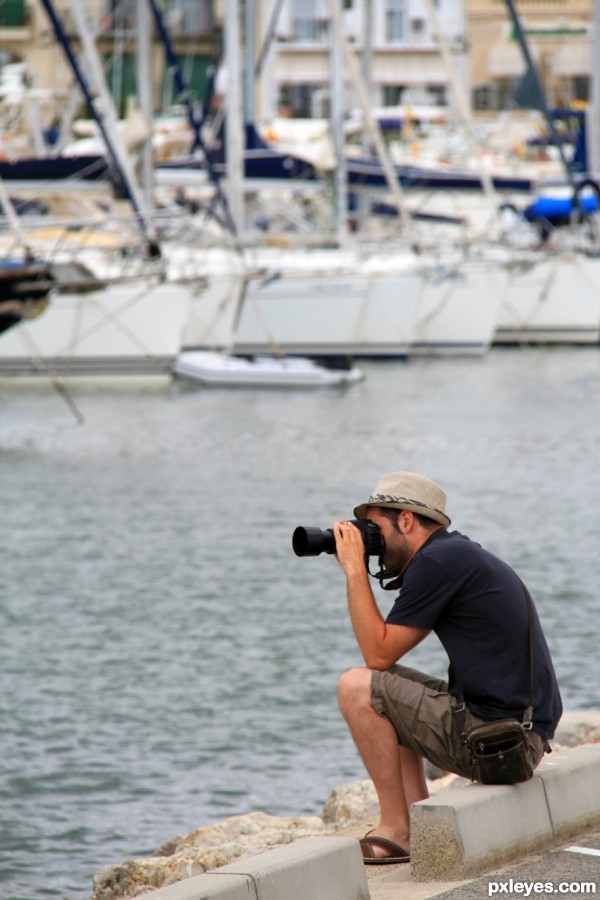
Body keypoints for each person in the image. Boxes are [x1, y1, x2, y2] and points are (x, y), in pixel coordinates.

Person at [333, 471, 562, 866]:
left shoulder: (437, 562)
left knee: (357, 687)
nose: (370, 543)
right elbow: (386, 663)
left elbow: (377, 653)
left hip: (502, 745)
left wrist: (355, 571)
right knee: (385, 690)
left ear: (406, 521)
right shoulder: (454, 554)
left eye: (375, 528)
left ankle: (397, 829)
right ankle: (417, 823)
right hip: (518, 734)